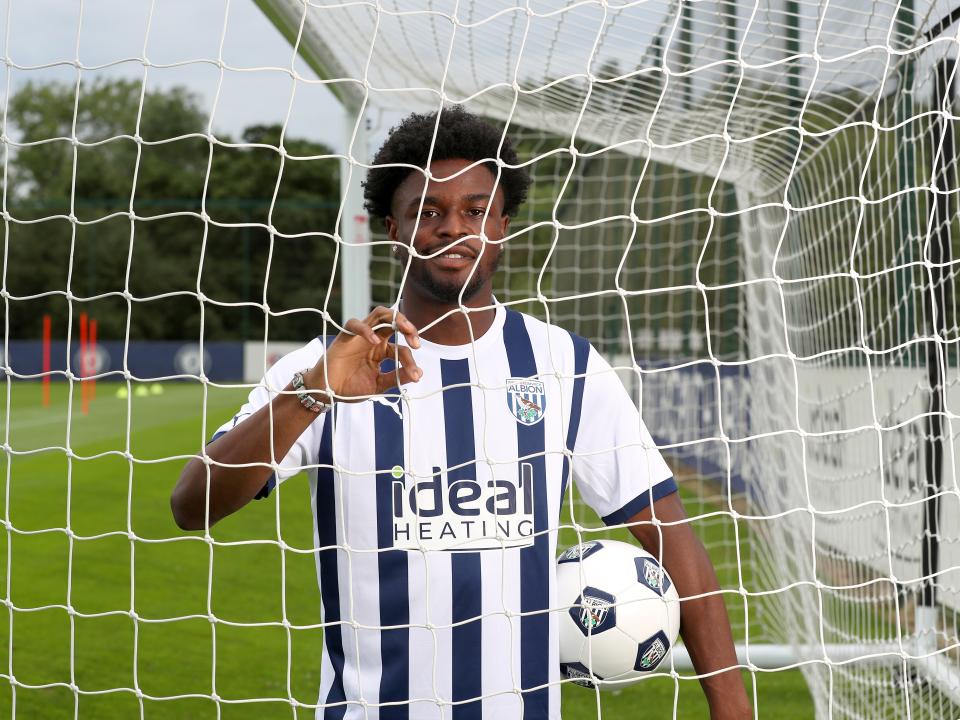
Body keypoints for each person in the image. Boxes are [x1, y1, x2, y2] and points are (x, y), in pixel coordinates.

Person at [171, 107, 750, 720]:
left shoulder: (564, 365)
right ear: (391, 227)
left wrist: (733, 709)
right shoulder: (327, 365)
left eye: (475, 211)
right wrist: (313, 394)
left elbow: (675, 545)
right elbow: (193, 503)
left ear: (502, 224)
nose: (454, 229)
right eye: (428, 212)